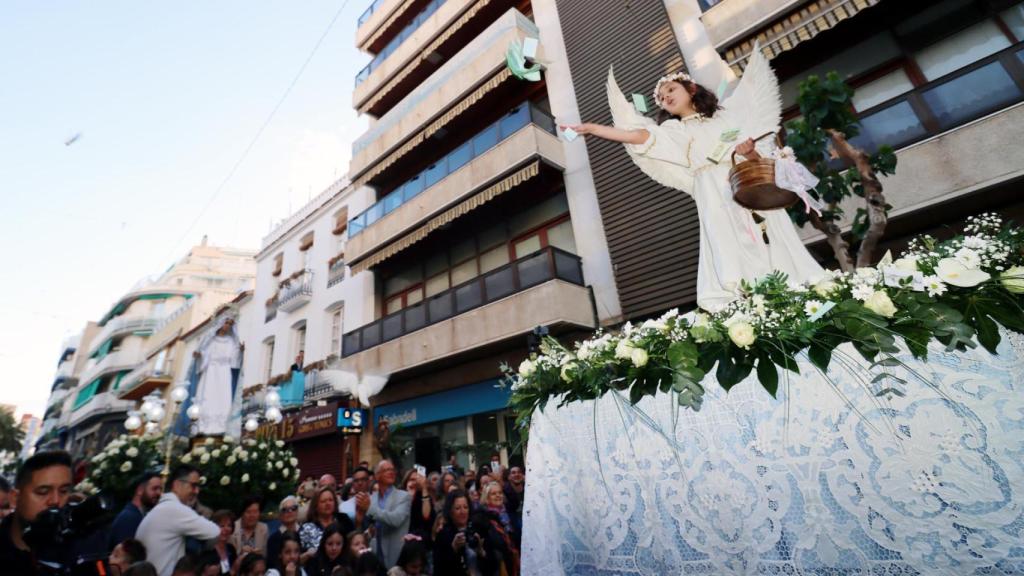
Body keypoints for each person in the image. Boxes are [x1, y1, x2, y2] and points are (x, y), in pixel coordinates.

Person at [561, 48, 825, 313]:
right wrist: (594, 129)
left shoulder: (727, 117)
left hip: (747, 188)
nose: (666, 98)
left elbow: (758, 161)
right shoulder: (673, 130)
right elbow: (641, 136)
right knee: (729, 252)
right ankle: (750, 310)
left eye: (671, 90)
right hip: (712, 195)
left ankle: (792, 298)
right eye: (662, 98)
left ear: (691, 88)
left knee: (770, 241)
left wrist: (749, 151)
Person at [136, 464, 221, 576]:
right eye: (193, 485)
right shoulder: (174, 508)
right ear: (177, 485)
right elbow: (214, 532)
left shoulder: (164, 507)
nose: (196, 491)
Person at [0, 450, 74, 575]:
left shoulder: (79, 549)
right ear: (15, 498)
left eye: (63, 491)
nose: (55, 501)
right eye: (43, 492)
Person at [192, 315, 244, 435]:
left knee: (223, 396)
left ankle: (221, 427)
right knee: (208, 395)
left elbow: (235, 360)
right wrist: (199, 356)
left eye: (230, 324)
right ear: (221, 323)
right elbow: (204, 353)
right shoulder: (211, 339)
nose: (228, 326)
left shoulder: (231, 341)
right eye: (227, 323)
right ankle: (203, 426)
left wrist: (241, 351)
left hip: (224, 371)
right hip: (211, 370)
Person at [364, 460, 411, 568]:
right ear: (377, 476)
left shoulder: (404, 496)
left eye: (392, 469)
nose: (391, 472)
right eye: (386, 470)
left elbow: (395, 520)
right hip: (375, 553)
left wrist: (370, 509)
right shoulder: (371, 498)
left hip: (395, 554)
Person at [433, 490, 489, 576]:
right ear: (450, 511)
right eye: (457, 508)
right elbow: (439, 570)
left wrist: (481, 553)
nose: (462, 512)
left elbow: (492, 566)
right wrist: (453, 549)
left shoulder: (478, 529)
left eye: (465, 507)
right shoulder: (443, 535)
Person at [110, 471, 164, 549]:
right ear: (140, 490)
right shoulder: (129, 518)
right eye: (154, 488)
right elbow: (126, 555)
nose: (159, 493)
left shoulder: (137, 514)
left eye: (160, 489)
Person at [300, 487, 352, 559]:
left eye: (330, 500)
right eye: (323, 501)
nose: (328, 504)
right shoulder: (307, 528)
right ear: (316, 506)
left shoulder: (343, 519)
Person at [479, 482, 519, 575]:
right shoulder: (483, 518)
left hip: (514, 561)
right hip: (497, 567)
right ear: (487, 497)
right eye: (493, 493)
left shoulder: (509, 514)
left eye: (500, 493)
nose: (498, 495)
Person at [401, 470, 434, 544]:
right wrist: (410, 496)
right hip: (404, 539)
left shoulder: (424, 496)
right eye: (412, 480)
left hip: (422, 539)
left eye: (417, 480)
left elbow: (426, 516)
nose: (414, 482)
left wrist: (424, 488)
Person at [268, 495, 301, 567]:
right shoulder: (273, 539)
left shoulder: (305, 532)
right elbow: (273, 564)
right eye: (285, 509)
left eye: (293, 508)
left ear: (297, 511)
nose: (290, 511)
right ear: (280, 515)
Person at [210, 509, 238, 575]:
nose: (226, 529)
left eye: (229, 525)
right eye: (222, 526)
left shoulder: (231, 549)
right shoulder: (209, 551)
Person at [502, 466, 525, 545]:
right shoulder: (504, 490)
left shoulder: (528, 487)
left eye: (519, 472)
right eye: (513, 473)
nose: (517, 474)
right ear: (508, 477)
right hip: (514, 519)